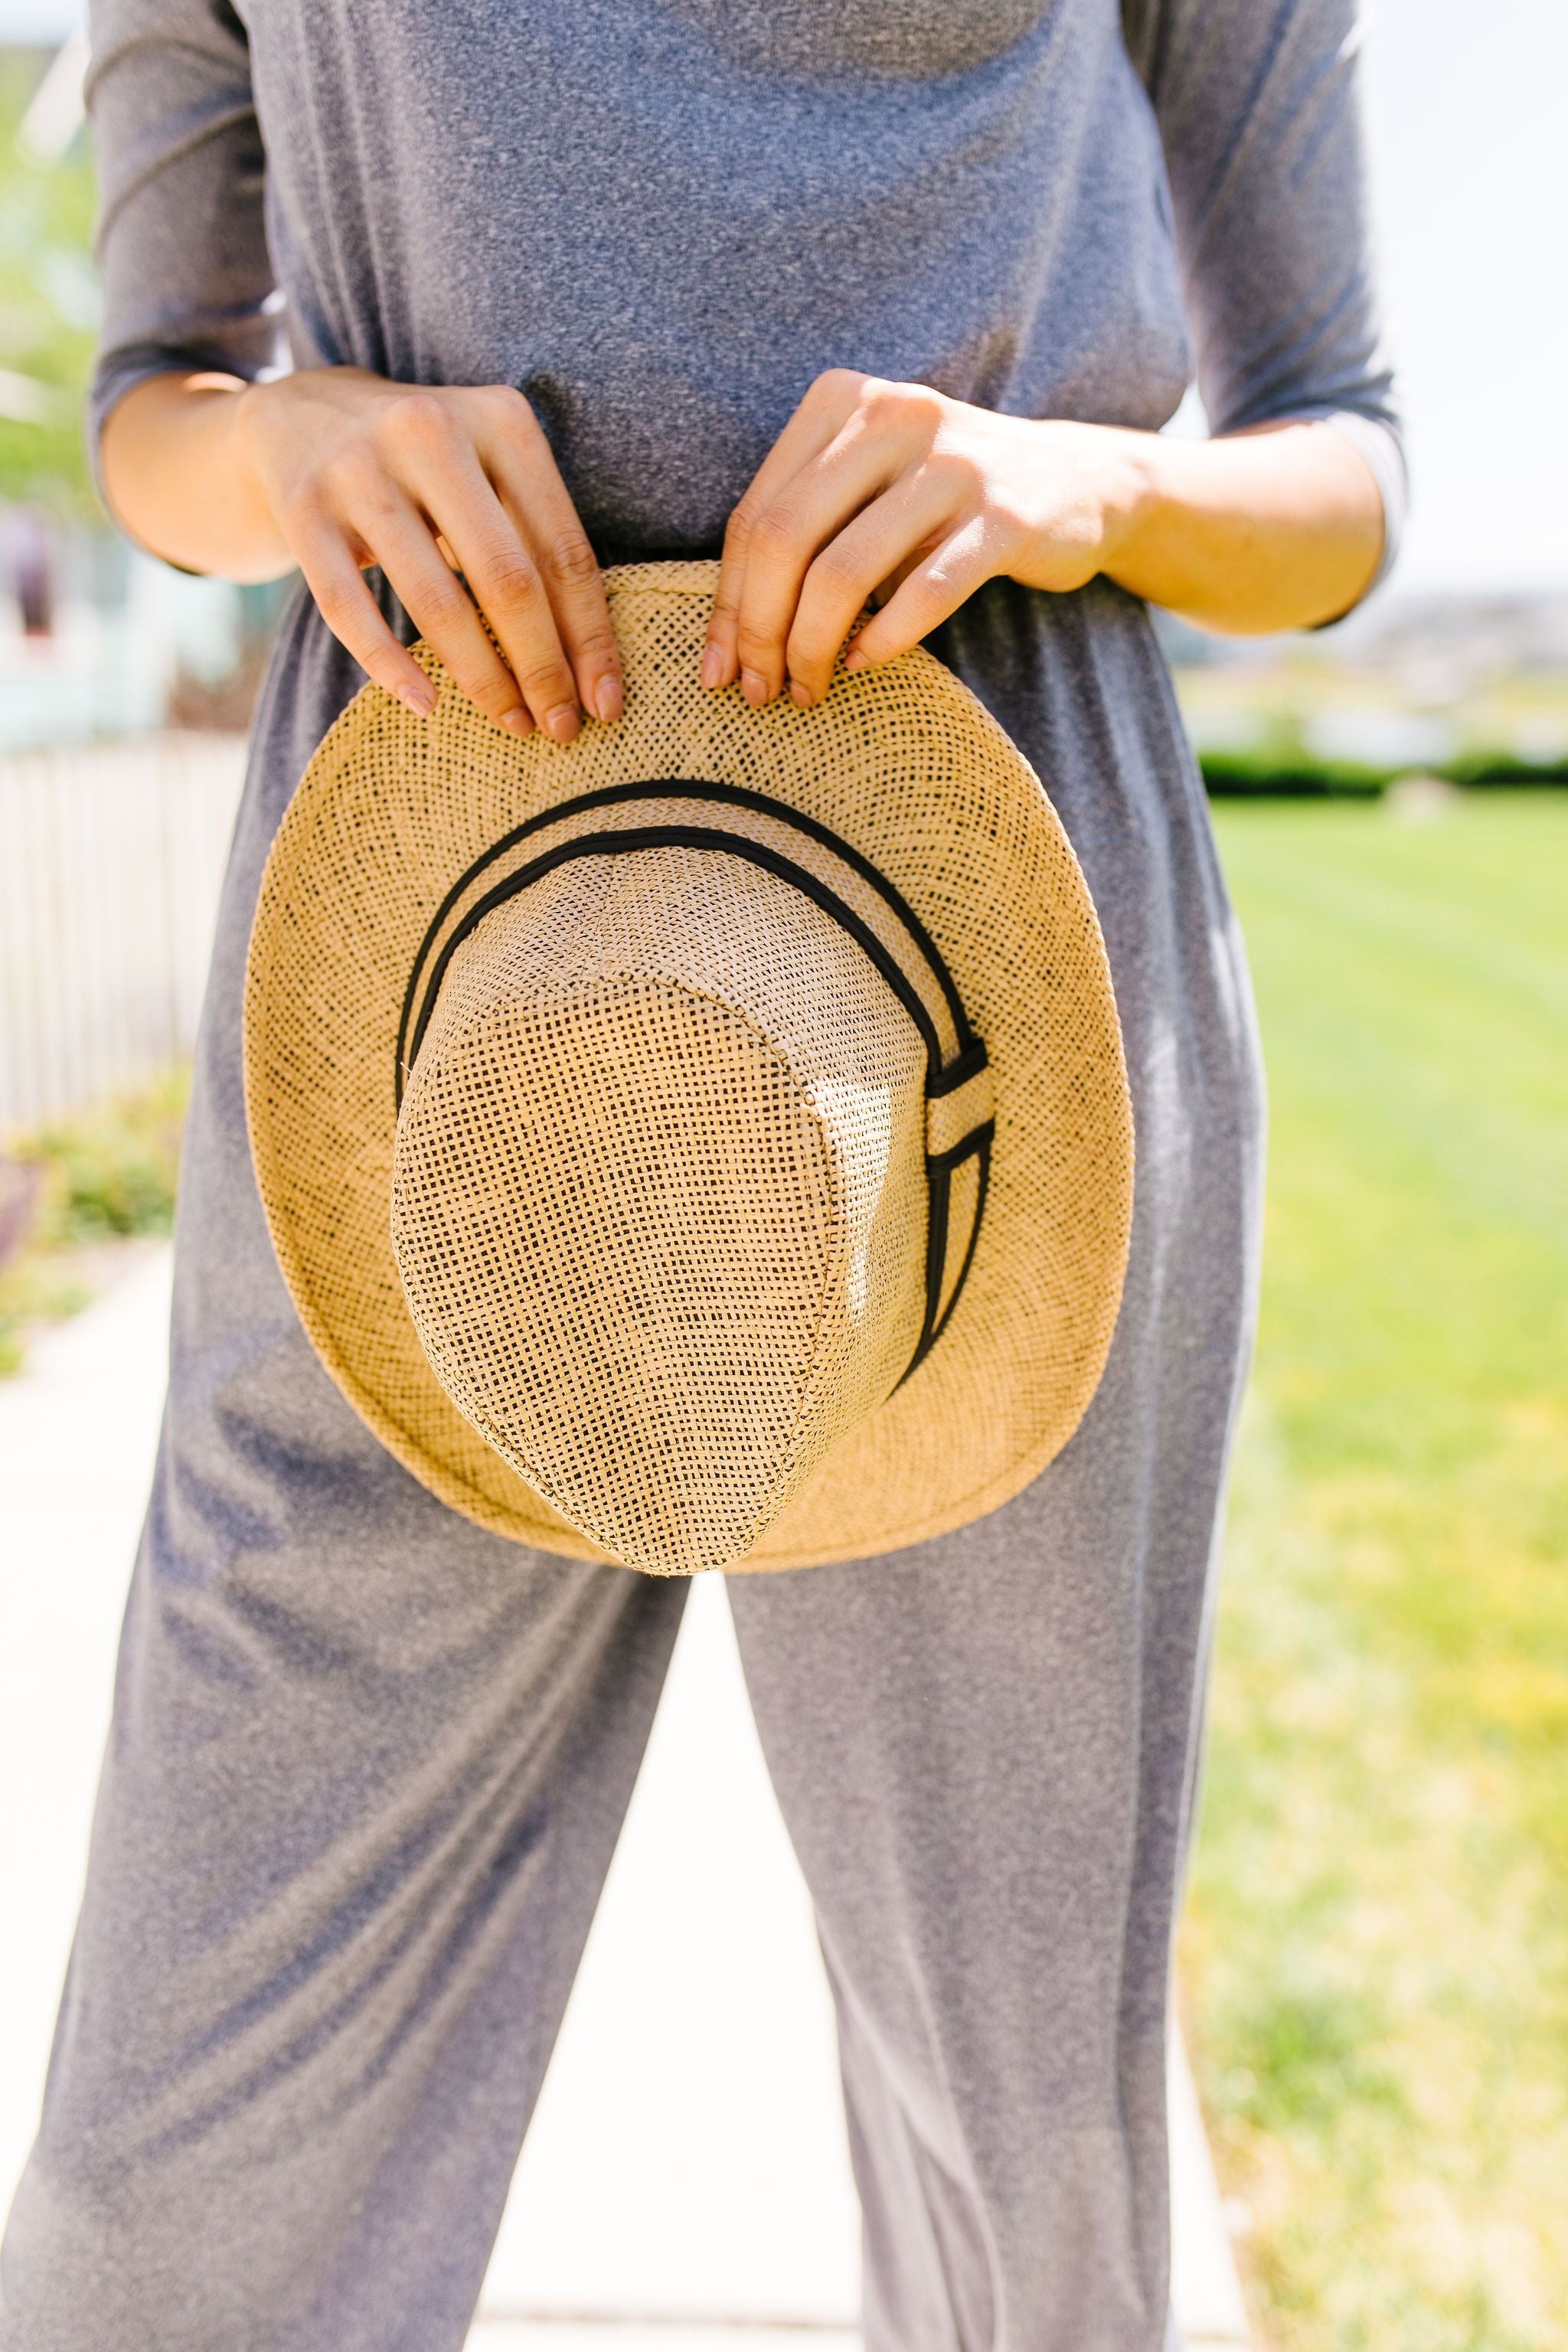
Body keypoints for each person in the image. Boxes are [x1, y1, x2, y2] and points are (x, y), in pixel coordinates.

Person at [0, 2, 1400, 2347]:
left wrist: (1077, 484)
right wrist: (295, 455)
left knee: (1024, 2155)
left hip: (986, 1010)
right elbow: (161, 401)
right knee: (172, 2187)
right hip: (421, 969)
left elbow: (1343, 472)